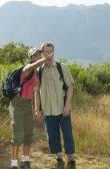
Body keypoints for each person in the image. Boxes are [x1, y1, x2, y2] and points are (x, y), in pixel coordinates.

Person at [35, 41, 76, 169]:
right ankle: (59, 160)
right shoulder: (38, 71)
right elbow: (36, 92)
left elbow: (70, 86)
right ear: (42, 54)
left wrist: (67, 105)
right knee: (52, 137)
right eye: (46, 52)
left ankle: (71, 161)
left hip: (62, 109)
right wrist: (37, 110)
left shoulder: (62, 67)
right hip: (48, 110)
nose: (49, 54)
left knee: (68, 135)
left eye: (51, 51)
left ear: (53, 52)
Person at [9, 48, 50, 169]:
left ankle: (25, 162)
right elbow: (37, 64)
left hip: (27, 104)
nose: (38, 57)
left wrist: (35, 110)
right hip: (17, 104)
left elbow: (35, 94)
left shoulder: (36, 75)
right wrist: (45, 59)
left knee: (28, 133)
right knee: (17, 135)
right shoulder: (27, 68)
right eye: (35, 55)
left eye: (39, 55)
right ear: (31, 58)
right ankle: (14, 164)